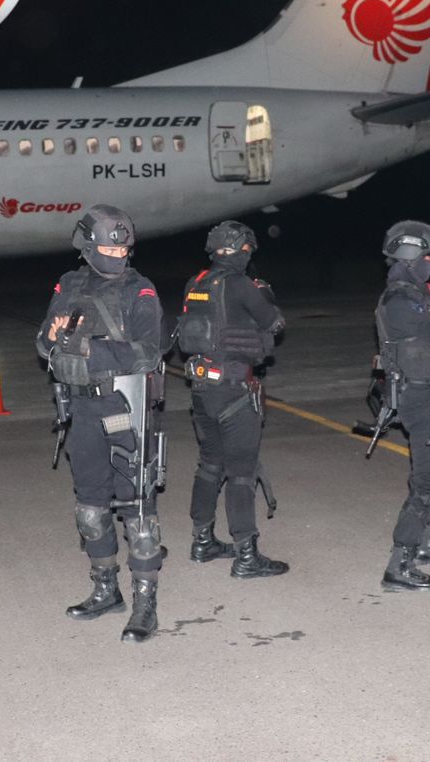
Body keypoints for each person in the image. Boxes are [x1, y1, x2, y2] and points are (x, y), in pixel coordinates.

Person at [37, 205, 167, 642]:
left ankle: (145, 604)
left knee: (139, 514)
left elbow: (149, 352)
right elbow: (43, 341)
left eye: (124, 246)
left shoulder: (140, 290)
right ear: (88, 246)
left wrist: (93, 349)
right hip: (81, 410)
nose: (119, 253)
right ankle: (106, 590)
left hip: (123, 408)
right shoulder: (69, 284)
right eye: (110, 246)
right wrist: (54, 341)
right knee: (91, 512)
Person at [176, 220, 288, 578]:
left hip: (201, 391)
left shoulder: (195, 284)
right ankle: (246, 556)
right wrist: (264, 293)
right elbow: (274, 324)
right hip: (234, 392)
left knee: (210, 465)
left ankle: (203, 541)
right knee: (241, 472)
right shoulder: (241, 284)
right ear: (243, 250)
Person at [375, 220, 430, 592]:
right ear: (411, 257)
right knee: (428, 479)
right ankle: (400, 563)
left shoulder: (412, 291)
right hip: (417, 396)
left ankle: (426, 542)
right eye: (427, 256)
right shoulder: (400, 299)